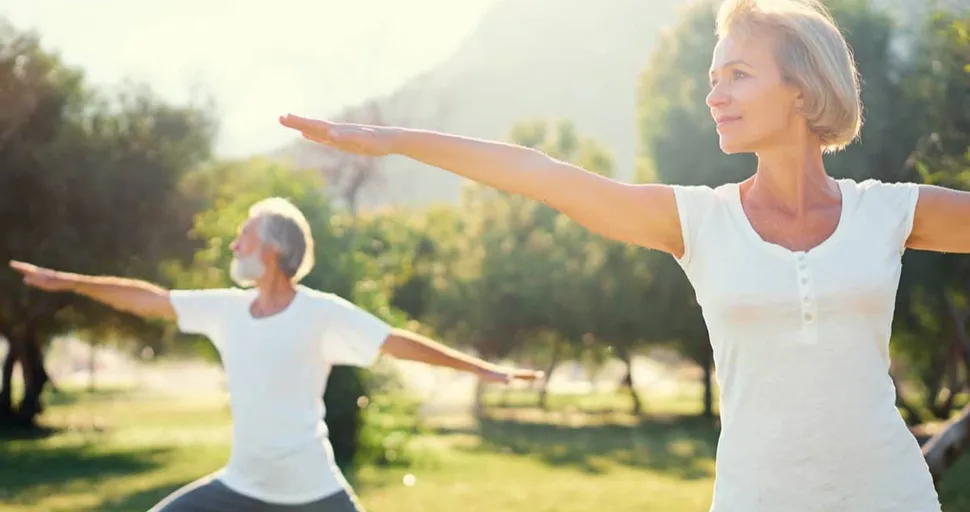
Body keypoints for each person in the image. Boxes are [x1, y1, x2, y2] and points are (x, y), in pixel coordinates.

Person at [277, 0, 968, 509]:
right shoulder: (698, 222)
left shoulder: (888, 212)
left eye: (737, 74)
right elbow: (541, 173)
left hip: (891, 495)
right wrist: (393, 138)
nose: (713, 94)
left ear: (800, 86)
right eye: (712, 76)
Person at [9, 197, 541, 512]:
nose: (234, 246)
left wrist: (484, 369)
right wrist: (67, 282)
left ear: (273, 252)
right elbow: (148, 299)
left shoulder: (321, 313)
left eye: (244, 236)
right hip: (240, 486)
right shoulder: (226, 310)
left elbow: (396, 343)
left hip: (312, 492)